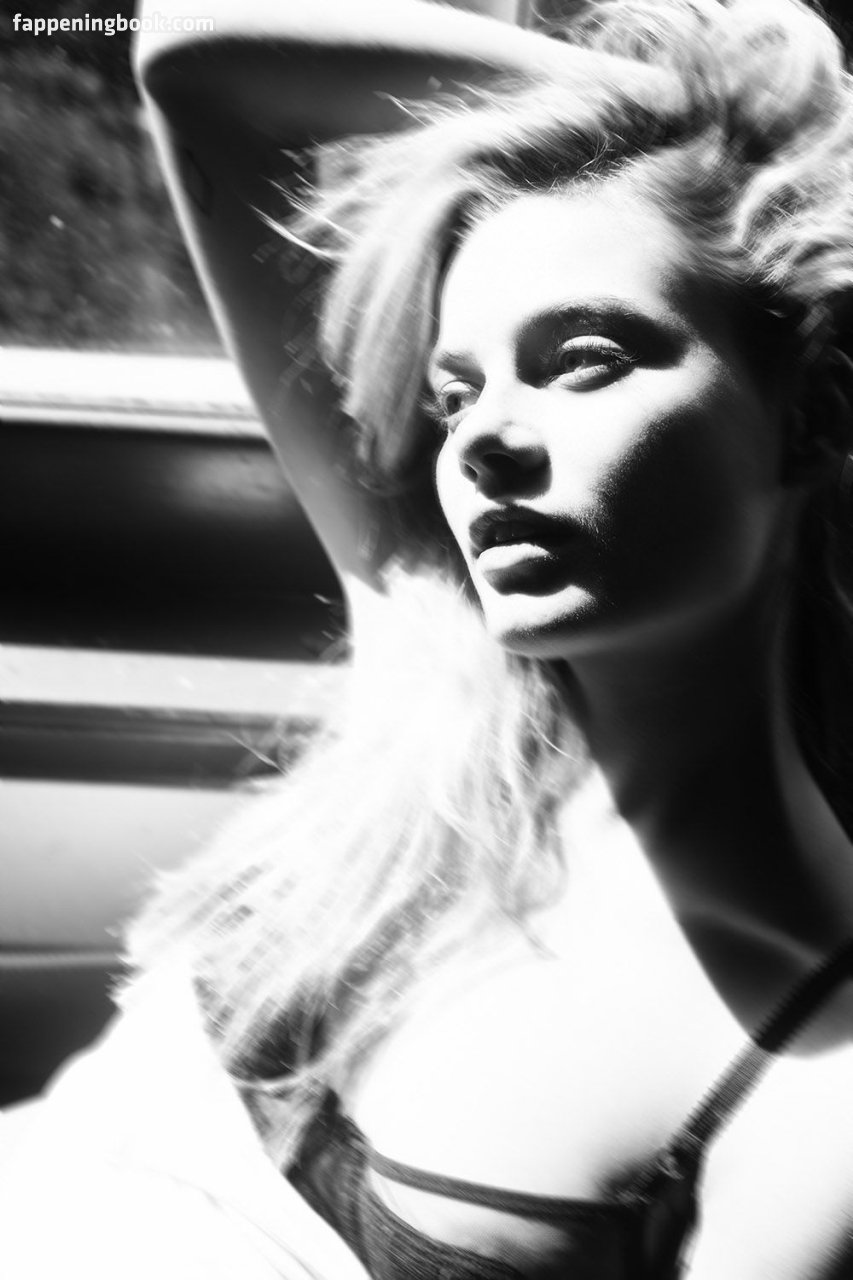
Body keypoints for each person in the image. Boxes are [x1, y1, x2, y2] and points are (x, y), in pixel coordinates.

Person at [3, 1, 853, 1277]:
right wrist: (668, 131)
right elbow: (195, 59)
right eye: (456, 393)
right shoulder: (434, 657)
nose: (483, 442)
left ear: (818, 410)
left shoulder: (813, 1084)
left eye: (580, 358)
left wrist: (743, 167)